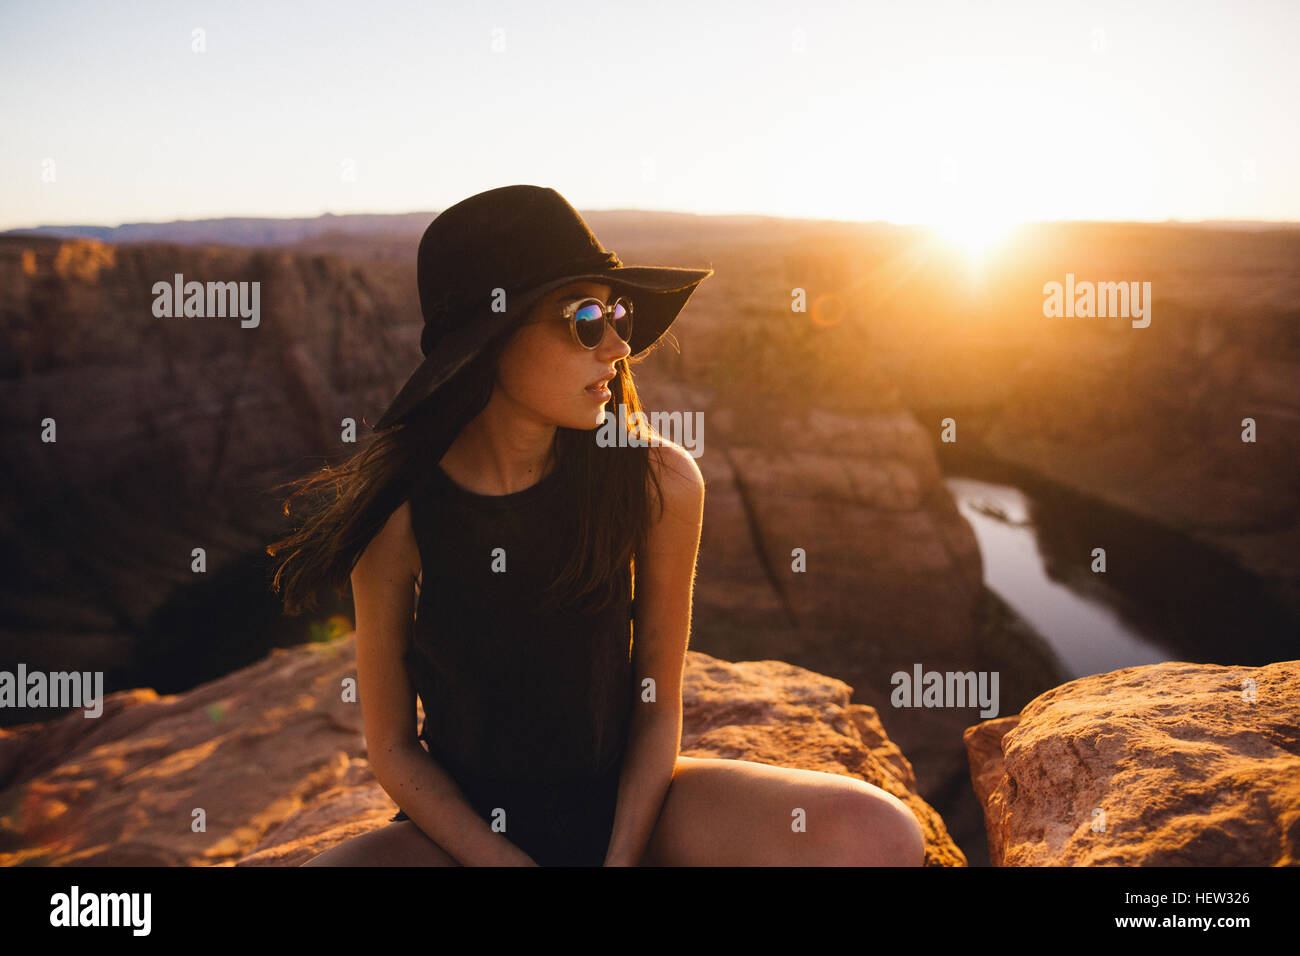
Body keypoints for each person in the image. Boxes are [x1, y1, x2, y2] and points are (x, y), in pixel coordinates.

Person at [268, 185, 926, 866]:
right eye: (585, 318)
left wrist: (619, 857)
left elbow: (656, 708)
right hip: (469, 838)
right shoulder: (401, 514)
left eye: (621, 314)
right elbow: (394, 747)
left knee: (875, 833)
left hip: (632, 812)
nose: (617, 345)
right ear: (491, 339)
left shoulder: (656, 482)